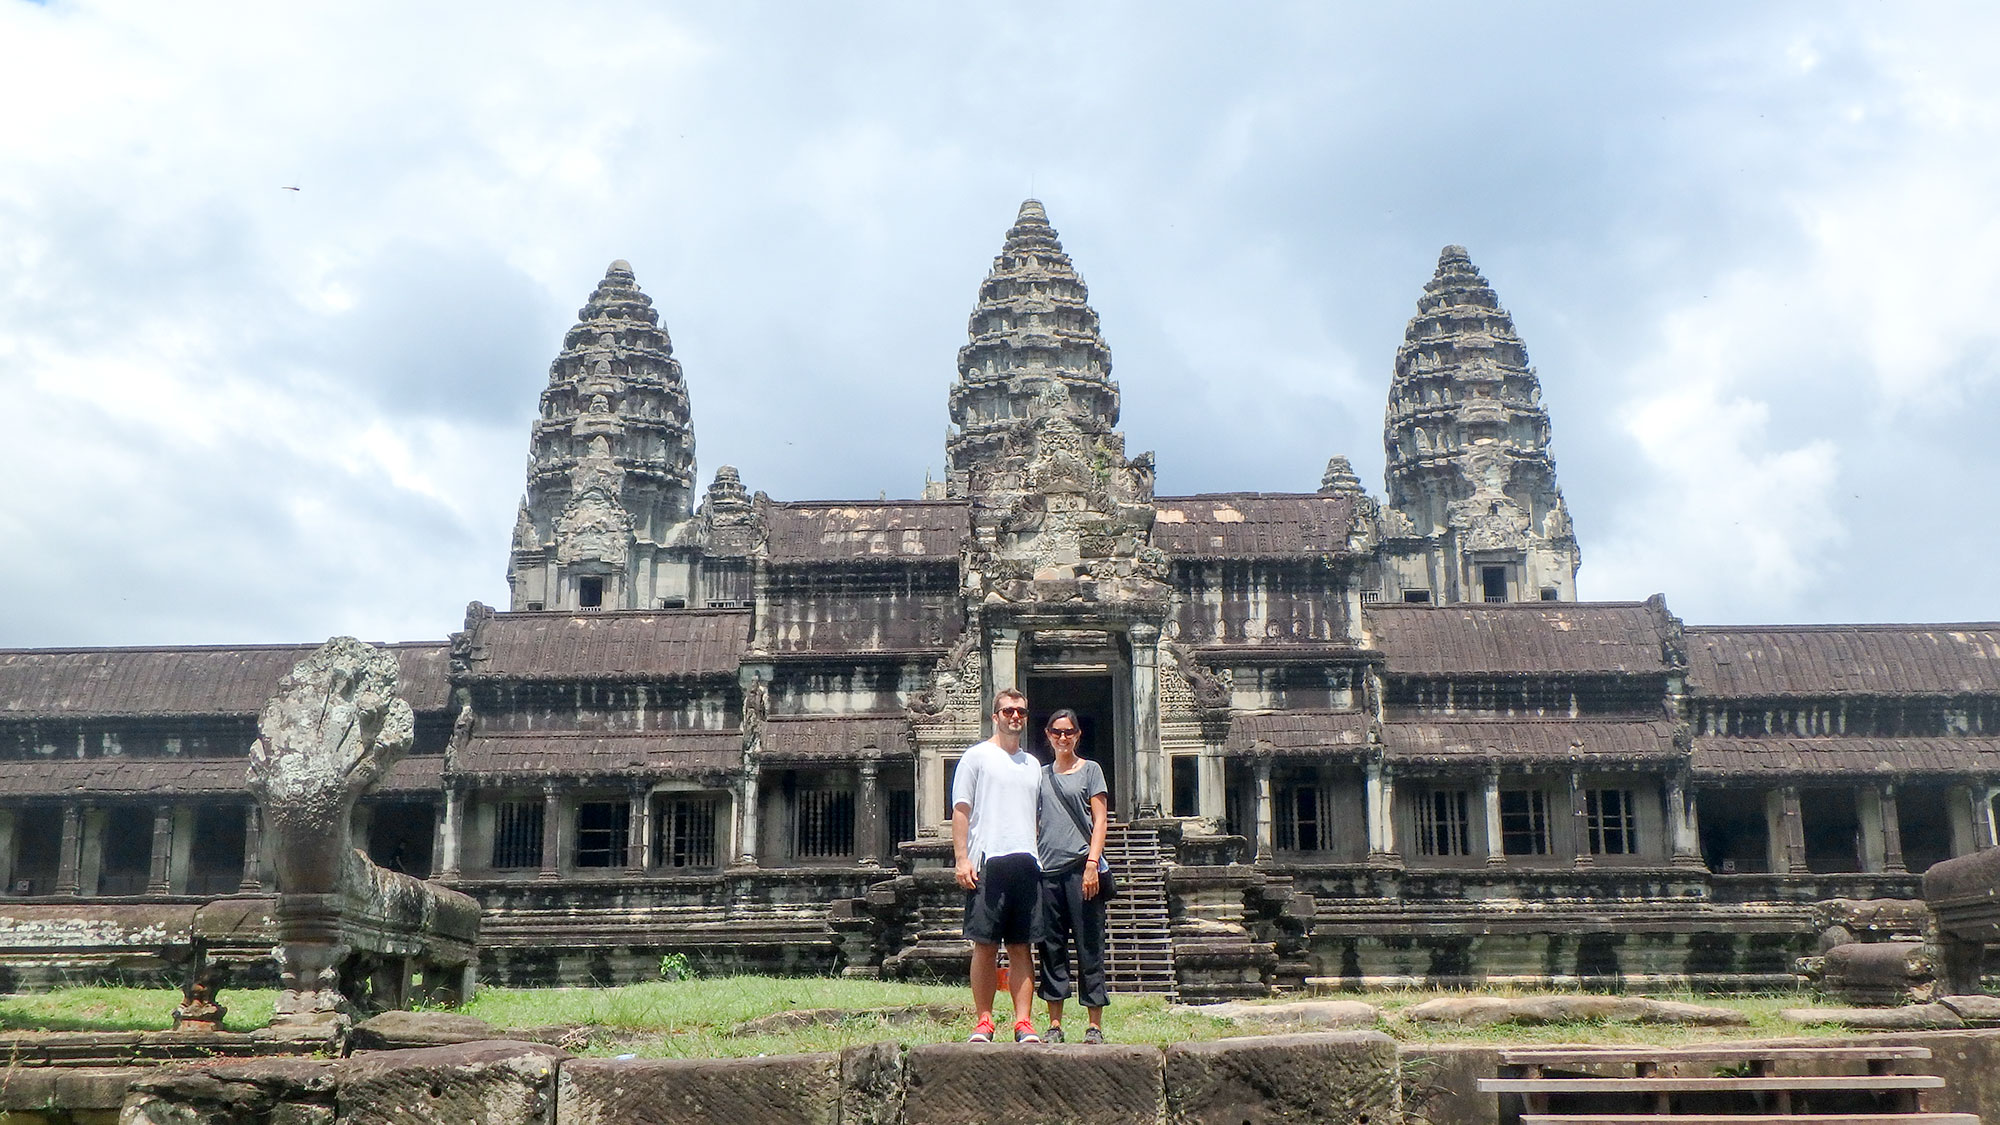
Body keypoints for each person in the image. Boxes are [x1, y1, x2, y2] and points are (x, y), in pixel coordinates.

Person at [952, 688, 1045, 1043]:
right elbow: (961, 811)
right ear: (995, 716)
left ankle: (1023, 1022)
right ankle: (985, 1020)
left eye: (1020, 711)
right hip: (988, 860)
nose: (1015, 716)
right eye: (1008, 711)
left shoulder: (1033, 764)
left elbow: (1035, 816)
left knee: (1022, 945)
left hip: (1026, 859)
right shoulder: (976, 757)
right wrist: (962, 859)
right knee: (985, 944)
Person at [1035, 708, 1109, 1043]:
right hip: (1047, 871)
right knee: (1051, 948)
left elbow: (1100, 820)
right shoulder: (1039, 775)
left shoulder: (1091, 770)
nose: (1063, 738)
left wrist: (1093, 863)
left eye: (1068, 732)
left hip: (1082, 869)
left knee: (1089, 945)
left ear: (1078, 735)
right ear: (1048, 736)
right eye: (1056, 732)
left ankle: (1094, 1024)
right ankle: (1055, 1024)